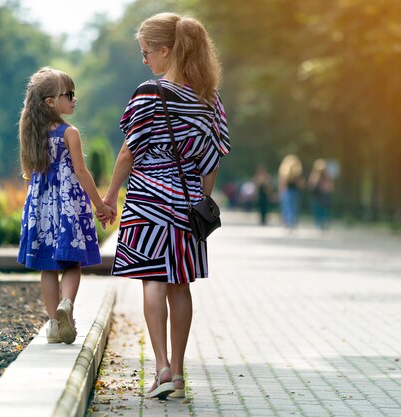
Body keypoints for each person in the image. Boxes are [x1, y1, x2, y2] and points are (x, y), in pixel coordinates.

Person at [97, 12, 230, 400]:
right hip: (188, 202)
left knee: (152, 280)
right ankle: (179, 371)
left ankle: (161, 368)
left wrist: (109, 197)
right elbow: (212, 160)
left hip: (147, 202)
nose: (144, 60)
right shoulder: (210, 98)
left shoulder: (149, 94)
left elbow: (127, 151)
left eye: (146, 52)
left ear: (166, 50)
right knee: (180, 285)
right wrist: (201, 200)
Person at [17, 67, 115, 345]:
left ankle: (53, 324)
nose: (74, 99)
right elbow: (82, 174)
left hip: (42, 208)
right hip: (69, 206)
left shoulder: (30, 133)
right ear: (51, 102)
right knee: (72, 263)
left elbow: (29, 173)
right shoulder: (69, 133)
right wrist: (100, 206)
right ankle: (67, 305)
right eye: (69, 94)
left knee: (48, 266)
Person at [278, 154, 304, 229]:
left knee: (287, 208)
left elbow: (282, 183)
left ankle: (288, 223)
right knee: (294, 208)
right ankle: (292, 222)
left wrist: (281, 193)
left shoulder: (284, 171)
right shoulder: (297, 172)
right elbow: (300, 184)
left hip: (287, 192)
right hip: (295, 192)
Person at [307, 159, 334, 230]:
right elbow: (311, 186)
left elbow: (330, 187)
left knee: (324, 211)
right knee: (317, 210)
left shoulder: (327, 176)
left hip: (324, 197)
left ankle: (324, 223)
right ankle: (318, 224)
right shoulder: (314, 175)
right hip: (316, 197)